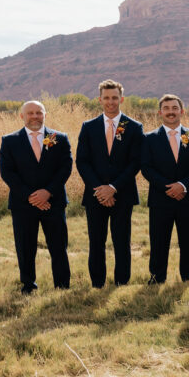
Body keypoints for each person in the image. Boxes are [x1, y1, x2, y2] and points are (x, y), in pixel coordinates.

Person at [0, 100, 72, 293]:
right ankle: (28, 286)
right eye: (30, 113)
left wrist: (47, 192)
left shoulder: (59, 138)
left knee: (58, 246)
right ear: (22, 116)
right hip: (23, 204)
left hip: (53, 202)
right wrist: (30, 196)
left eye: (39, 113)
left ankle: (62, 285)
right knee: (25, 247)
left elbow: (65, 168)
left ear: (45, 115)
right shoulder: (9, 141)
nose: (35, 116)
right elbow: (7, 173)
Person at [75, 79, 142, 288]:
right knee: (96, 241)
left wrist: (113, 188)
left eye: (114, 98)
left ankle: (122, 281)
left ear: (121, 99)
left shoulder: (133, 127)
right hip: (95, 195)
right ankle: (97, 282)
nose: (111, 102)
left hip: (123, 193)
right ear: (100, 99)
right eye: (106, 98)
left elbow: (136, 162)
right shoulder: (89, 127)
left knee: (122, 240)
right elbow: (82, 161)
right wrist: (100, 189)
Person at [141, 94, 189, 283]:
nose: (171, 112)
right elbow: (146, 167)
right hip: (161, 197)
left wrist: (183, 185)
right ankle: (157, 277)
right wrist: (167, 187)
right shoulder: (149, 138)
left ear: (181, 111)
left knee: (188, 240)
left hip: (188, 196)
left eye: (174, 108)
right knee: (159, 241)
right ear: (160, 112)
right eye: (166, 108)